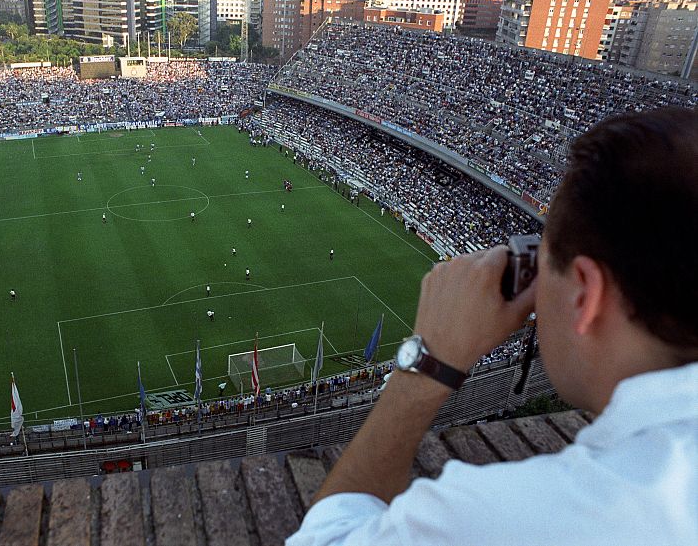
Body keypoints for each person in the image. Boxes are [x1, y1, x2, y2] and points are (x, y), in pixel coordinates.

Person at [287, 108, 698, 546]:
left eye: (543, 261)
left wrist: (426, 364)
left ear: (584, 294)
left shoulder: (525, 515)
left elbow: (324, 537)